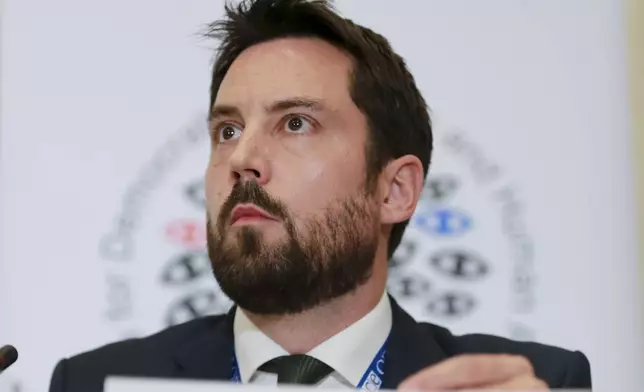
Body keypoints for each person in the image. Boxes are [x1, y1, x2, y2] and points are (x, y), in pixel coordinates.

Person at [48, 0, 592, 391]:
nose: (242, 159)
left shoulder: (531, 382)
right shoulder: (94, 383)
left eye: (296, 123)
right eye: (228, 131)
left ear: (395, 189)